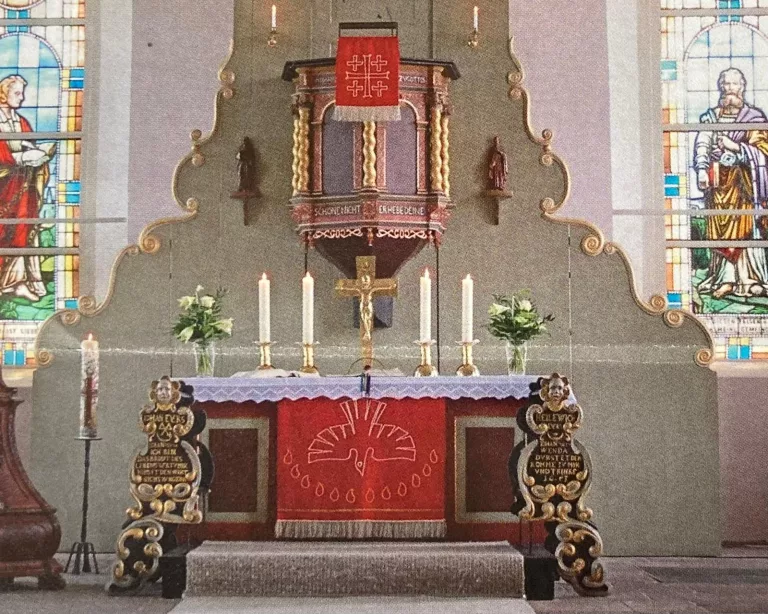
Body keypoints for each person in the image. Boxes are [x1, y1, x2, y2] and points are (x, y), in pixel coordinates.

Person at [694, 67, 768, 299]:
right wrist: (701, 169)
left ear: (742, 87)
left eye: (734, 84)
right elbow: (702, 143)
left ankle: (751, 280)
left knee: (745, 230)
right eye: (725, 84)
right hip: (718, 186)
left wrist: (736, 148)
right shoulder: (711, 116)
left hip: (744, 185)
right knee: (720, 231)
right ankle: (724, 279)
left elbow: (763, 150)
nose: (729, 89)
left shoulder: (754, 118)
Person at [0, 74, 54, 303]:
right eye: (17, 93)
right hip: (4, 187)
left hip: (22, 187)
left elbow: (27, 141)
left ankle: (17, 282)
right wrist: (21, 157)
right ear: (4, 93)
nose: (22, 98)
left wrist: (36, 152)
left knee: (23, 228)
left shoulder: (20, 121)